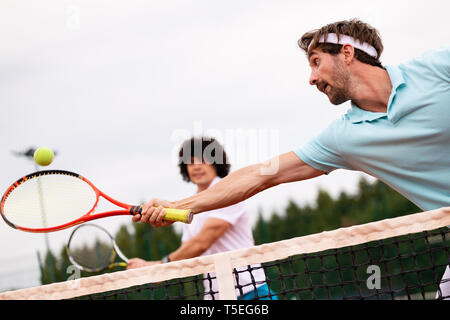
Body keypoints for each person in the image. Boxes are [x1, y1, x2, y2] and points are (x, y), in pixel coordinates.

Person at [136, 19, 450, 298]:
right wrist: (177, 207)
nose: (311, 78)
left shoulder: (437, 67)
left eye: (316, 62)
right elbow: (262, 175)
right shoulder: (343, 138)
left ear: (347, 53)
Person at [128, 137, 277, 300]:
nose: (196, 166)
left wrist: (161, 266)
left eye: (202, 159)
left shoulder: (230, 192)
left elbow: (201, 242)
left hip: (252, 292)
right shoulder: (186, 208)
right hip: (215, 296)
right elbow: (188, 254)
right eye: (190, 162)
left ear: (216, 163)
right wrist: (151, 269)